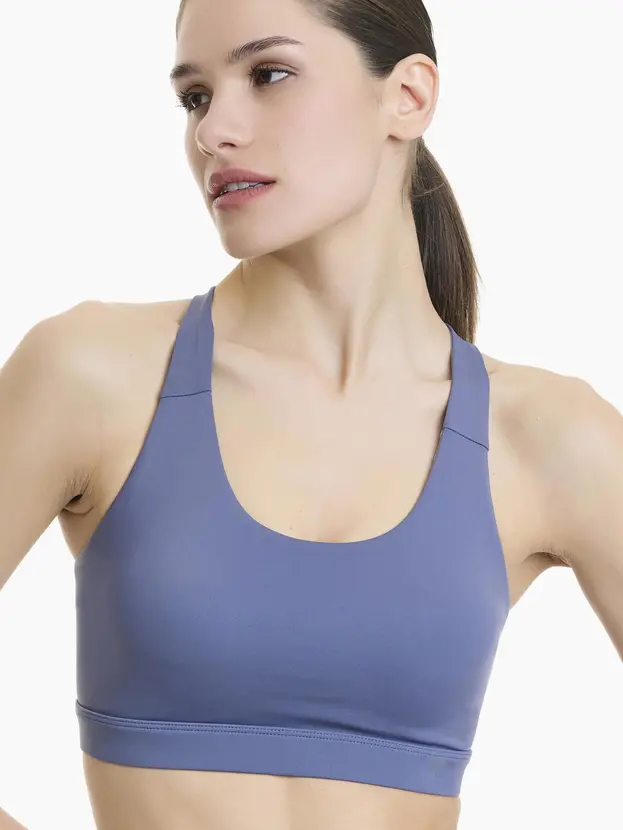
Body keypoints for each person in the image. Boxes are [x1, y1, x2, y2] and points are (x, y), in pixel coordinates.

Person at [1, 0, 622, 828]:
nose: (213, 131)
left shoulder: (548, 435)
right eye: (194, 96)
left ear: (407, 96)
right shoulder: (93, 375)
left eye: (269, 74)